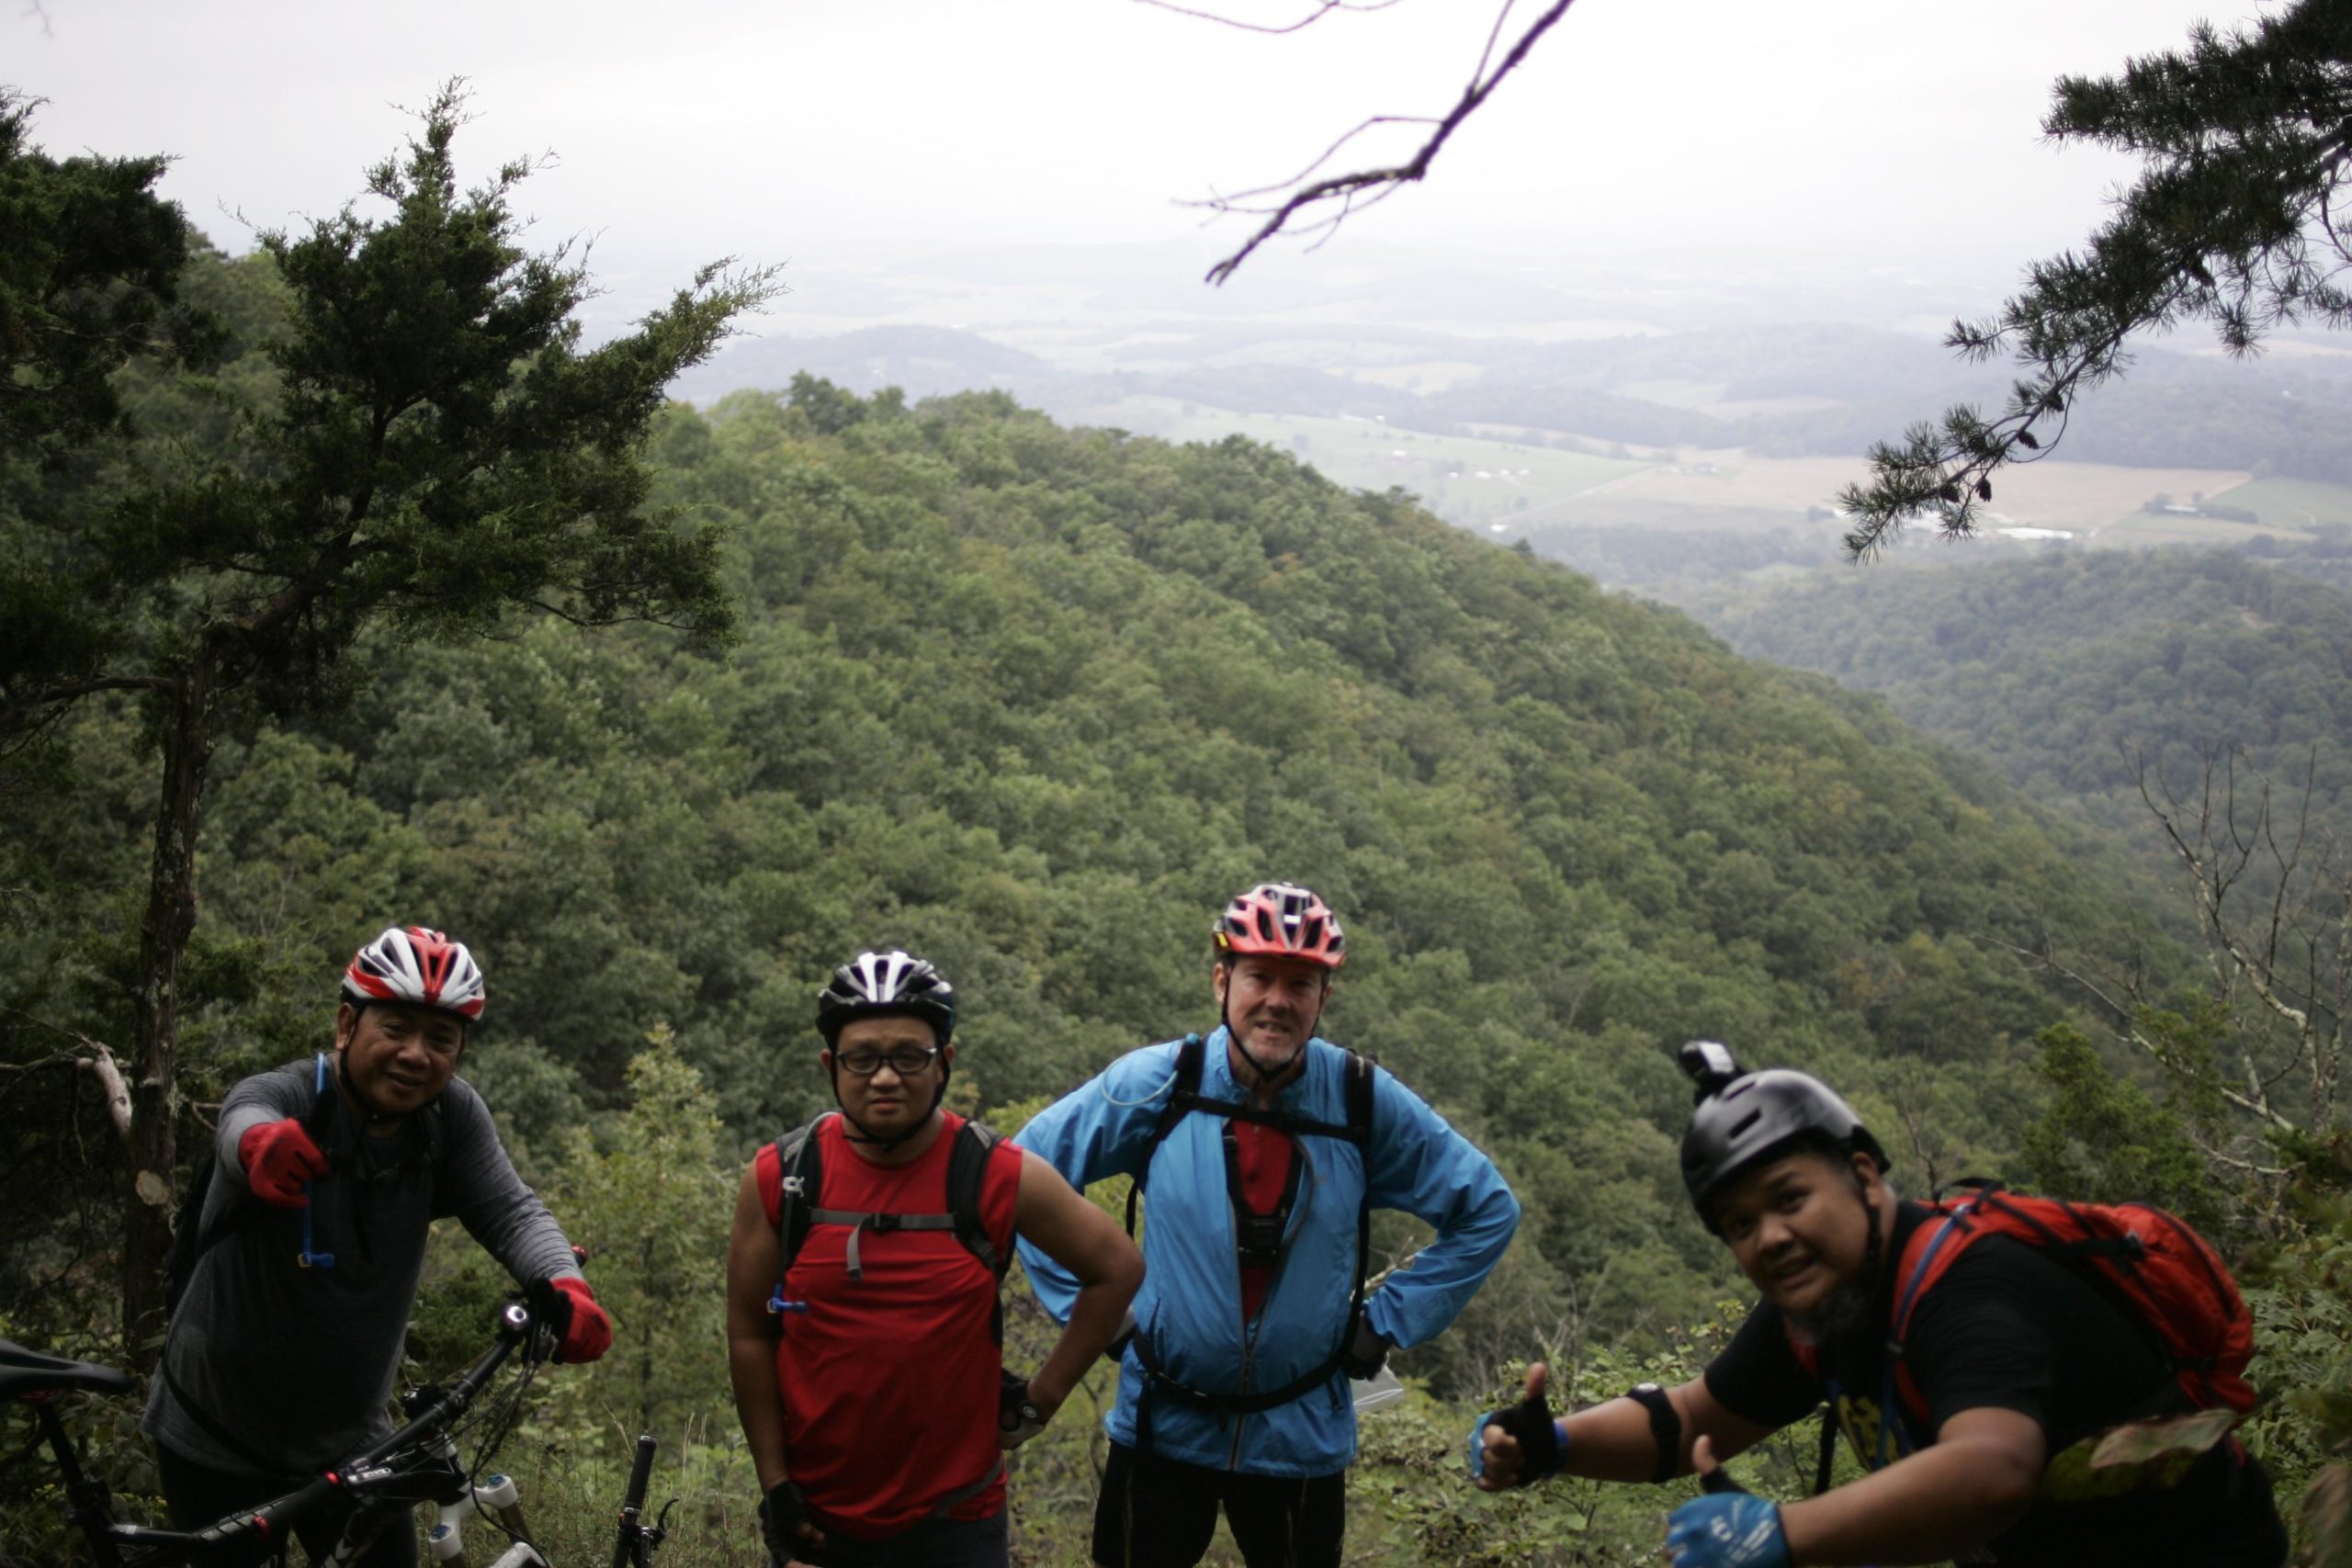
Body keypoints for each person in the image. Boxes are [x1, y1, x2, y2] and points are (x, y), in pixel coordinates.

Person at [1472, 1041, 2290, 1568]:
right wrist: (1556, 1441)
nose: (1770, 1237)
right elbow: (1689, 1421)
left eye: (1790, 1197)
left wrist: (1783, 1533)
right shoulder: (1826, 1305)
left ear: (1863, 1174)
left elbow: (1993, 1466)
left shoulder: (1973, 1289)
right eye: (1740, 1224)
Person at [1013, 882, 1522, 1568]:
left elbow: (1488, 1207)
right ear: (1223, 980)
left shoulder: (1360, 1100)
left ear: (1323, 999)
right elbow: (1018, 1175)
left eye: (1300, 983)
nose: (1278, 999)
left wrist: (1384, 1321)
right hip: (1162, 1423)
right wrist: (1098, 1315)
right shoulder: (1162, 1083)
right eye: (1260, 976)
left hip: (1301, 1433)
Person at [145, 925, 612, 1567]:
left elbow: (510, 1209)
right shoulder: (292, 1095)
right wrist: (260, 1147)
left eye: (440, 1038)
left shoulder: (448, 1118)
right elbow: (243, 1117)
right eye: (394, 1028)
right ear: (346, 1025)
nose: (416, 1053)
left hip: (355, 1446)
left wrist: (564, 1282)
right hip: (216, 1434)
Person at [725, 948, 1144, 1568]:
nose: (885, 1076)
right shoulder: (784, 1178)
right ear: (830, 1065)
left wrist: (1042, 1400)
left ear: (943, 1061)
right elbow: (750, 1335)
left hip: (957, 1522)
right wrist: (776, 1487)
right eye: (862, 1057)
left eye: (909, 1055)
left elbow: (1117, 1266)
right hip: (818, 1520)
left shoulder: (992, 1172)